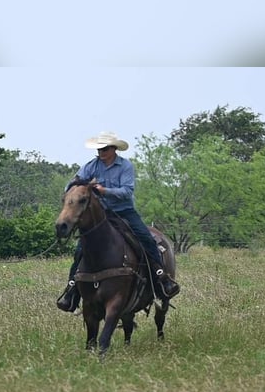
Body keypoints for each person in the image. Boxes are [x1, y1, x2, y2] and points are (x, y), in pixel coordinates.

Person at [56, 131, 180, 312]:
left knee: (145, 238)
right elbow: (72, 183)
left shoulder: (125, 166)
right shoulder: (91, 166)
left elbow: (127, 191)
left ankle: (161, 278)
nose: (101, 152)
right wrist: (75, 187)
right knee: (81, 249)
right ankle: (72, 289)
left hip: (124, 211)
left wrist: (105, 191)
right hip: (102, 215)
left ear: (114, 149)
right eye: (99, 149)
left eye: (104, 148)